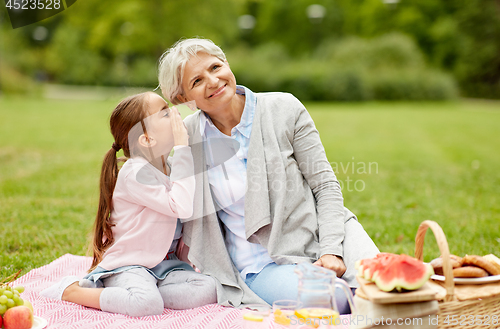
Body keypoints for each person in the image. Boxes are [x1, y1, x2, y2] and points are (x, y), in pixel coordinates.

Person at [157, 38, 379, 313]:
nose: (213, 81)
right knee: (336, 299)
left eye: (215, 67)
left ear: (227, 64)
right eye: (197, 81)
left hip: (328, 232)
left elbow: (325, 186)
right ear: (182, 98)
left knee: (383, 289)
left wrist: (331, 249)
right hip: (261, 263)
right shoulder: (187, 139)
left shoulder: (284, 108)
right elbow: (173, 204)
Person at [40, 92, 217, 316]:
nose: (174, 113)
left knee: (209, 287)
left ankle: (135, 295)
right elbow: (180, 206)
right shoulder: (134, 172)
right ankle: (72, 291)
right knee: (147, 306)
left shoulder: (173, 168)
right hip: (129, 265)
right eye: (164, 113)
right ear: (147, 139)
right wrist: (183, 148)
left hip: (162, 267)